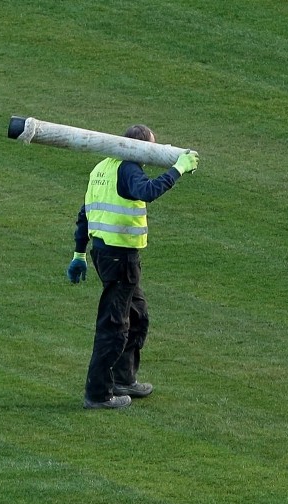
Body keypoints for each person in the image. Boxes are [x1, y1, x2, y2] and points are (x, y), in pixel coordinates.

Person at [66, 124, 199, 409]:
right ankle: (98, 394)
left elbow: (84, 213)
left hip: (109, 255)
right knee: (114, 327)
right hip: (119, 258)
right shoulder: (128, 169)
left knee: (137, 316)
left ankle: (124, 379)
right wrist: (179, 169)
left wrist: (79, 253)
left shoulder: (102, 167)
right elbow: (147, 191)